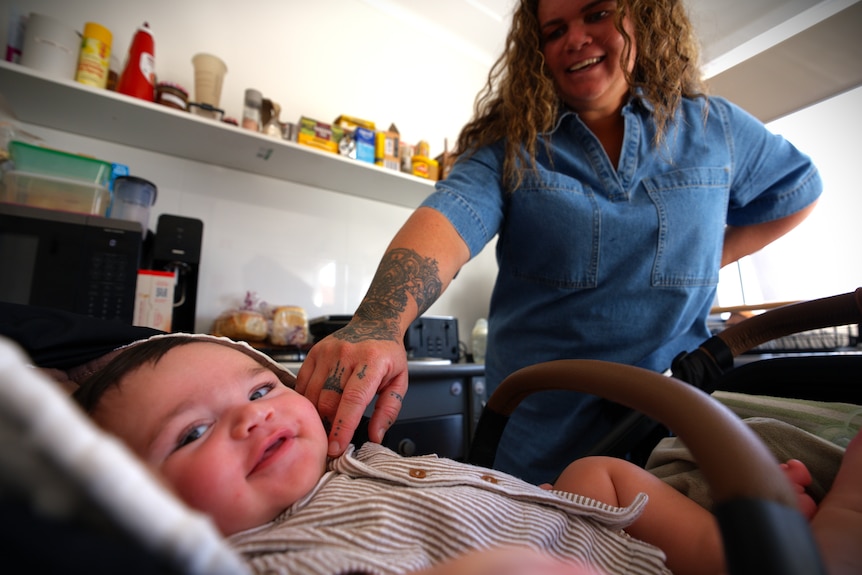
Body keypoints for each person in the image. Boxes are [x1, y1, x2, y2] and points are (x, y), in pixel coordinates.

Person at [294, 0, 823, 484]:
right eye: (555, 30)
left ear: (642, 19)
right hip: (538, 443)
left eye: (596, 13)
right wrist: (378, 322)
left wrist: (712, 253)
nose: (576, 38)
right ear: (538, 51)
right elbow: (452, 217)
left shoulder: (716, 127)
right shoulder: (513, 148)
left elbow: (799, 191)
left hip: (674, 428)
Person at [72, 334, 862, 575]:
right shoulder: (259, 556)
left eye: (256, 391)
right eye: (191, 432)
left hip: (587, 529)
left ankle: (745, 547)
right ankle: (813, 547)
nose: (251, 421)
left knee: (597, 472)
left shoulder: (348, 459)